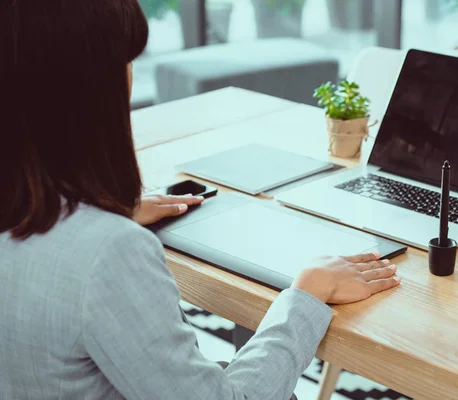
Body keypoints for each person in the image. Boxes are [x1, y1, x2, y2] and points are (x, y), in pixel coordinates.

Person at [0, 1, 401, 399]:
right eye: (124, 59)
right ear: (90, 89)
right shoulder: (109, 253)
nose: (131, 76)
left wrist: (102, 212)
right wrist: (307, 294)